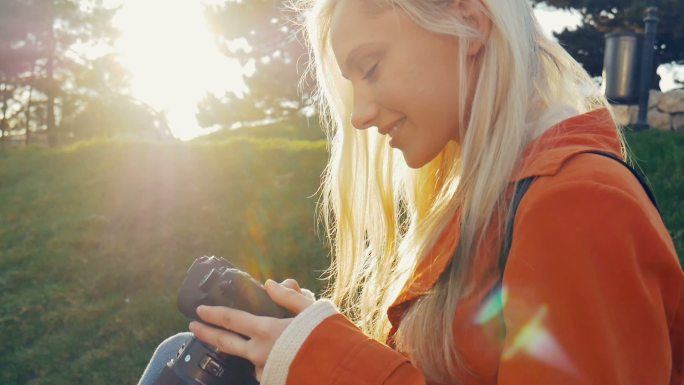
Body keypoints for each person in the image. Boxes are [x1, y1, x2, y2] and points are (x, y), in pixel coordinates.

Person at [140, 0, 683, 384]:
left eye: (370, 69)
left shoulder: (577, 202)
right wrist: (316, 346)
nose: (359, 115)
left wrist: (332, 366)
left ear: (470, 23)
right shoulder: (493, 200)